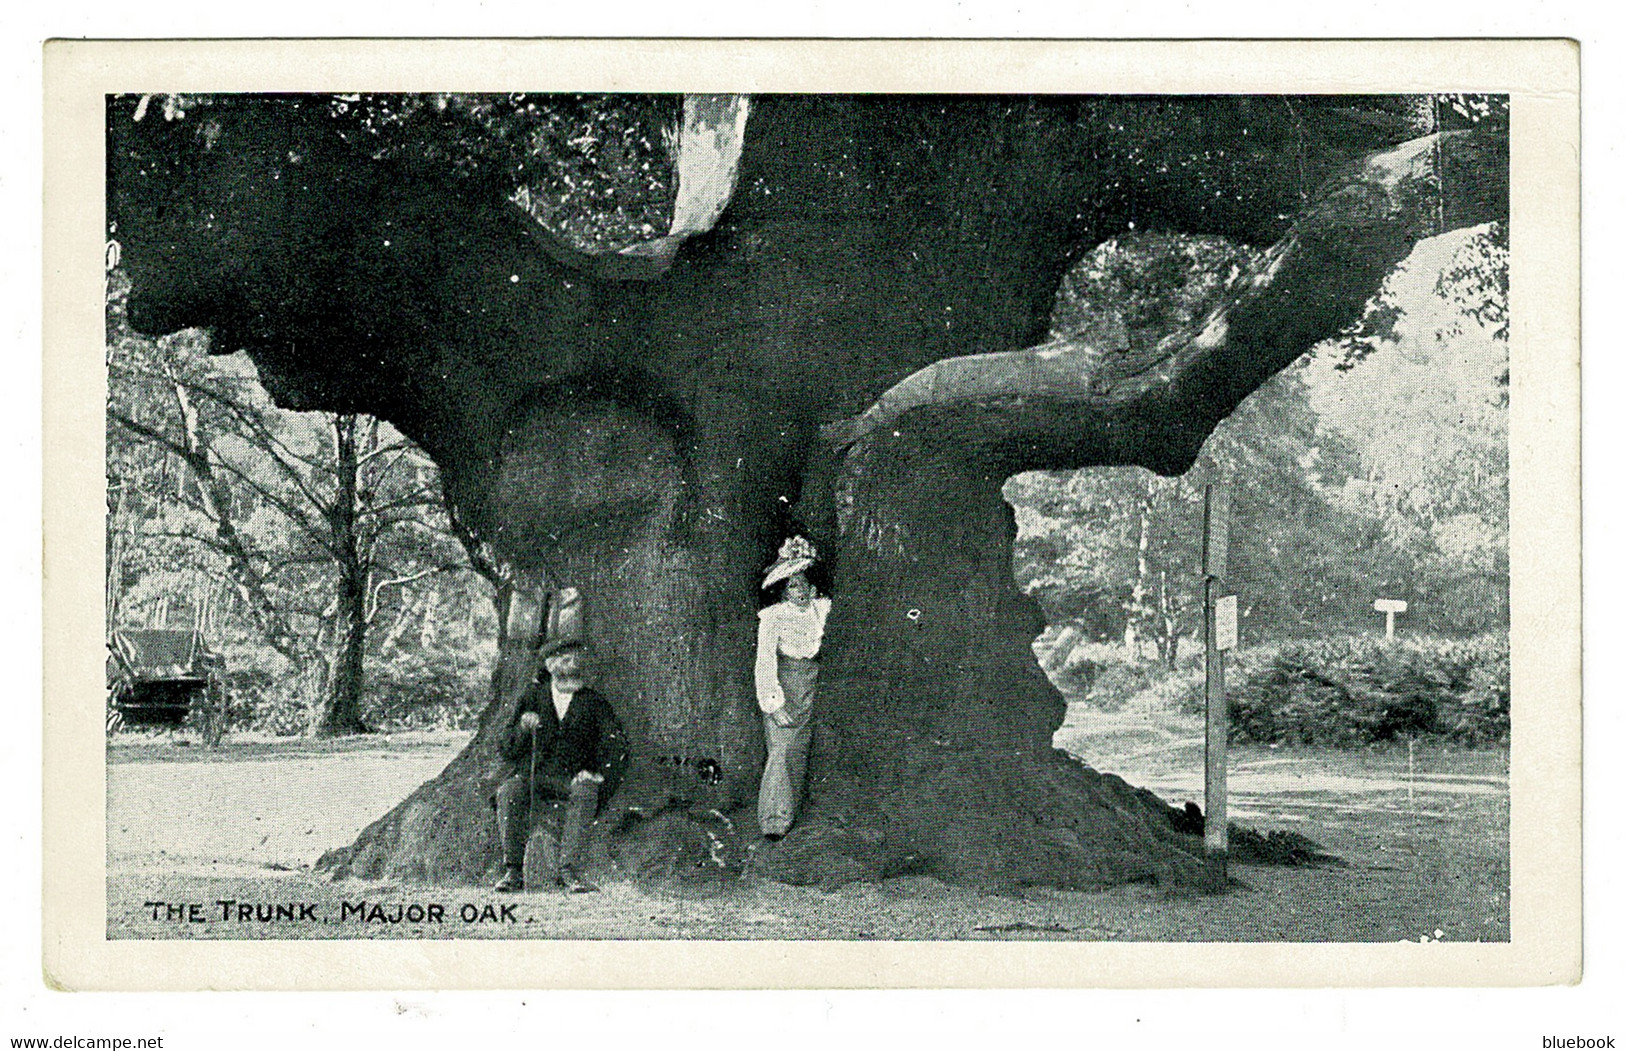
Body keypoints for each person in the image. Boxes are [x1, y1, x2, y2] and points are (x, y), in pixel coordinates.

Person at [492, 636, 626, 893]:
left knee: (586, 791)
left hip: (573, 778)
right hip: (535, 775)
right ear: (551, 665)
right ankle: (513, 871)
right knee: (508, 791)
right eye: (566, 659)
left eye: (577, 657)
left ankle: (569, 871)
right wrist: (522, 727)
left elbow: (617, 745)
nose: (574, 663)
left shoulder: (593, 702)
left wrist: (596, 772)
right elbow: (507, 747)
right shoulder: (532, 697)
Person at [754, 536, 831, 841]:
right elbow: (765, 661)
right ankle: (774, 820)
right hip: (785, 685)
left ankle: (792, 812)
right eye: (793, 586)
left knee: (800, 753)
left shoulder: (821, 609)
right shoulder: (774, 617)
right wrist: (773, 702)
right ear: (784, 591)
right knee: (781, 751)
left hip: (811, 685)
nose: (800, 592)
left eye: (804, 584)